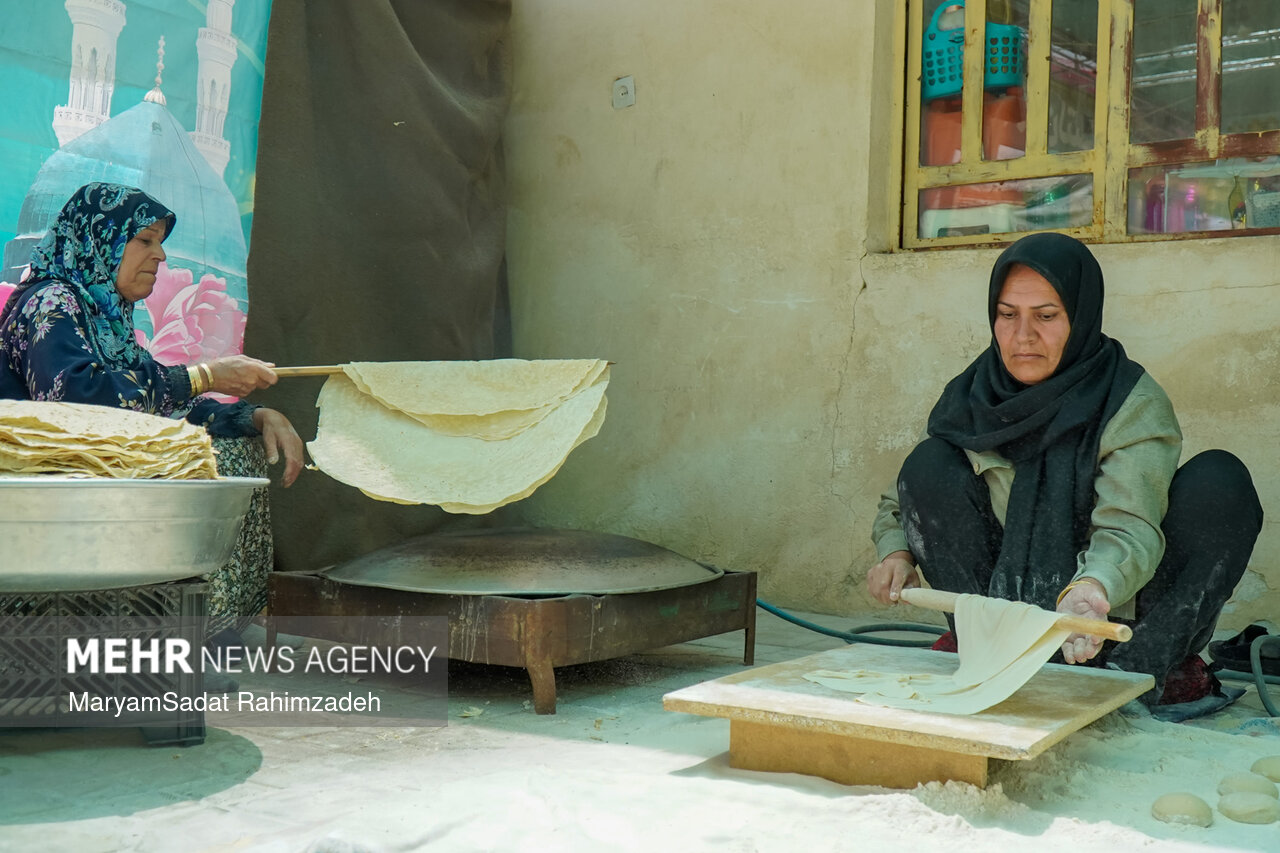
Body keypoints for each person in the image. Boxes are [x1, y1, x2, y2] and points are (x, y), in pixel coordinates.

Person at [866, 232, 1262, 714]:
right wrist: (897, 553)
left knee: (1220, 482)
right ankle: (992, 647)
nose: (1023, 335)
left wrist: (1091, 589)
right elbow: (902, 498)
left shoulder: (1129, 401)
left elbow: (1129, 525)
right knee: (930, 462)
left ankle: (1133, 675)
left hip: (1111, 619)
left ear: (1081, 315)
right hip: (1006, 617)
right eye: (1007, 314)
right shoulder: (974, 397)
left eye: (1046, 316)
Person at [0, 182, 305, 640]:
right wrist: (203, 375)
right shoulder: (50, 302)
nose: (160, 256)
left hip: (90, 485)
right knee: (209, 459)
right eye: (144, 240)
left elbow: (163, 405)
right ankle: (181, 634)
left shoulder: (108, 320)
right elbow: (81, 403)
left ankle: (215, 627)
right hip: (40, 499)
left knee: (232, 442)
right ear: (98, 239)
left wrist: (255, 417)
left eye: (160, 242)